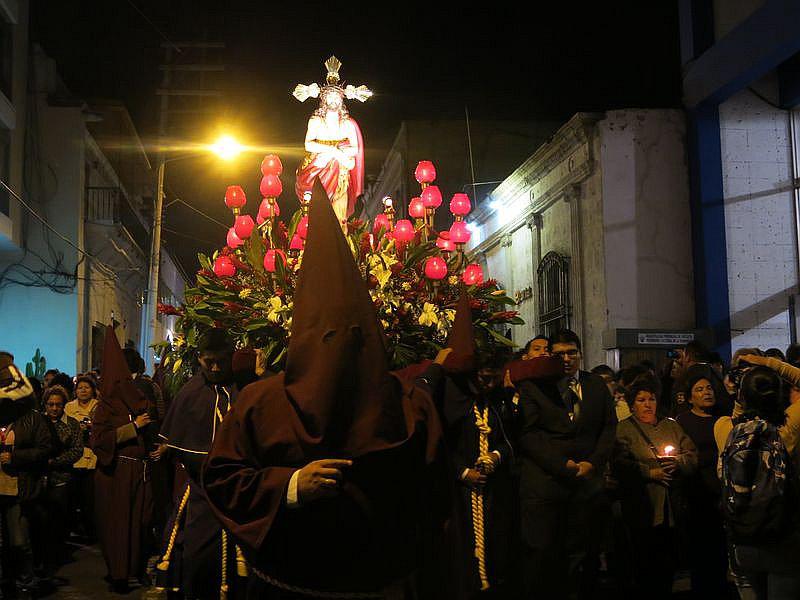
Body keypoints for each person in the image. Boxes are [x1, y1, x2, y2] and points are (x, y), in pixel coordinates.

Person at [203, 180, 445, 598]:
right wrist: (291, 486)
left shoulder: (409, 406)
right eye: (326, 339)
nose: (339, 354)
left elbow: (435, 498)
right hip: (286, 586)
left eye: (353, 338)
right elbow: (223, 480)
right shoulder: (261, 403)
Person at [515, 328, 617, 598]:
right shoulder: (534, 386)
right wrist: (563, 465)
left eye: (572, 352)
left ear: (580, 354)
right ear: (550, 355)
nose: (567, 359)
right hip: (545, 485)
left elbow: (608, 427)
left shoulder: (596, 385)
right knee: (542, 556)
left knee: (582, 555)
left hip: (585, 485)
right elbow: (528, 434)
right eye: (559, 354)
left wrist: (593, 463)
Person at [156, 328, 244, 600]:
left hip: (240, 490)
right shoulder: (190, 393)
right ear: (199, 358)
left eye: (221, 361)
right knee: (197, 554)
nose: (215, 368)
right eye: (209, 362)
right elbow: (179, 445)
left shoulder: (245, 389)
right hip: (200, 491)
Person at [715, 365, 800, 599]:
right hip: (781, 538)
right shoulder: (786, 430)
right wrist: (766, 362)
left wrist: (740, 393)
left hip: (742, 539)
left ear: (741, 396)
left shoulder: (725, 428)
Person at [613, 381, 697, 598]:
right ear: (632, 405)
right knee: (644, 559)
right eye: (641, 400)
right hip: (643, 505)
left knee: (668, 559)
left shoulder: (670, 426)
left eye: (651, 399)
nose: (647, 404)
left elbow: (691, 454)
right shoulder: (624, 429)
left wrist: (678, 462)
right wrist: (649, 473)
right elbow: (619, 464)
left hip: (671, 505)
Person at [90, 327, 155, 593]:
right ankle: (119, 573)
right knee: (118, 525)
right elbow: (99, 440)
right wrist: (133, 427)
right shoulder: (106, 407)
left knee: (140, 524)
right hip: (116, 474)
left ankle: (135, 569)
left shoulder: (138, 400)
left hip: (140, 472)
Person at [0, 351, 54, 598]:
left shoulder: (32, 418)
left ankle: (26, 581)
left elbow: (45, 448)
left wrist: (16, 457)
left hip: (17, 488)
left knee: (19, 541)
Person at [674, 366, 730, 597]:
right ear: (689, 398)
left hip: (721, 489)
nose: (706, 392)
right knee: (700, 547)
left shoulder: (723, 419)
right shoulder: (682, 421)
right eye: (699, 389)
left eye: (708, 388)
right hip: (696, 490)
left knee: (720, 548)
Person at [293, 56, 366, 224]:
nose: (333, 100)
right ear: (323, 99)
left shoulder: (348, 124)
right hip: (318, 171)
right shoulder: (316, 121)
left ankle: (340, 234)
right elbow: (308, 144)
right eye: (330, 97)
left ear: (341, 99)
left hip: (340, 174)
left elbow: (355, 149)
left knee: (339, 214)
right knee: (318, 212)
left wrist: (337, 154)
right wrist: (333, 150)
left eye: (336, 97)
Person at [42, 385, 82, 576]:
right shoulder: (39, 422)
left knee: (58, 519)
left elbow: (77, 450)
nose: (54, 408)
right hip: (40, 479)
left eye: (58, 404)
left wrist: (56, 461)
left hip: (62, 479)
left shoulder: (71, 424)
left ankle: (56, 555)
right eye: (51, 404)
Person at [65, 375, 98, 542]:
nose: (83, 390)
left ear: (93, 390)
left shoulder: (99, 407)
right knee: (73, 497)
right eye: (80, 387)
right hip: (74, 457)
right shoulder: (69, 407)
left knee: (90, 499)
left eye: (87, 387)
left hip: (92, 457)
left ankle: (91, 531)